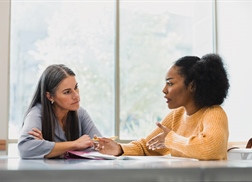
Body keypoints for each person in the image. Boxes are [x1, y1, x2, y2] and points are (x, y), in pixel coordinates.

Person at [95, 53, 230, 160]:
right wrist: (119, 149)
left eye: (170, 83)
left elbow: (212, 149)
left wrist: (170, 139)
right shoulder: (176, 115)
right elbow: (147, 147)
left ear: (192, 86)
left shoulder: (214, 113)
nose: (164, 90)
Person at [18, 64, 102, 159]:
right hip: (45, 173)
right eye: (67, 92)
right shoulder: (37, 113)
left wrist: (46, 147)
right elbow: (25, 148)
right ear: (49, 96)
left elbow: (100, 147)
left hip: (75, 172)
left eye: (76, 87)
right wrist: (75, 144)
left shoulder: (80, 113)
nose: (76, 96)